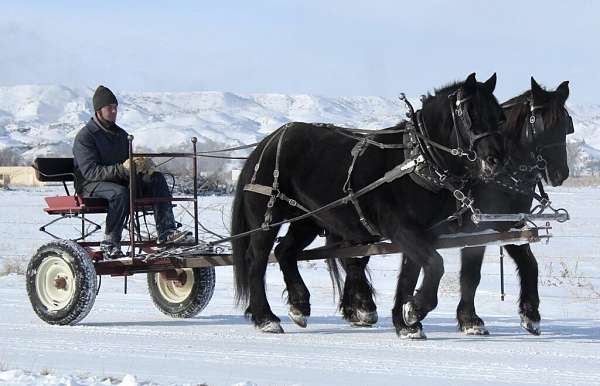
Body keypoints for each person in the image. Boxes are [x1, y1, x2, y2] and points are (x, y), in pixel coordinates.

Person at [72, 85, 190, 259]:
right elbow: (90, 172)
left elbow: (127, 164)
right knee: (120, 193)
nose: (113, 111)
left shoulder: (121, 135)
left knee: (156, 178)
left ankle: (167, 232)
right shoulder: (86, 137)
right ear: (98, 110)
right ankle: (110, 242)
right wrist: (124, 169)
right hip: (90, 185)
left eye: (115, 107)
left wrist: (142, 166)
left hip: (119, 181)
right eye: (109, 108)